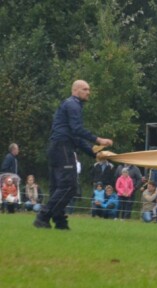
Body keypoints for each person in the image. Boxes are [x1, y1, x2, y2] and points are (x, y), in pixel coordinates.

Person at [34, 80, 113, 229]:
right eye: (85, 89)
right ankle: (43, 216)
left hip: (56, 148)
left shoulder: (69, 106)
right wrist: (98, 140)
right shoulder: (73, 105)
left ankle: (60, 222)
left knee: (58, 187)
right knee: (69, 186)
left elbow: (75, 137)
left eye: (89, 89)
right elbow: (77, 130)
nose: (88, 92)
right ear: (75, 90)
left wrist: (93, 153)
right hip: (63, 148)